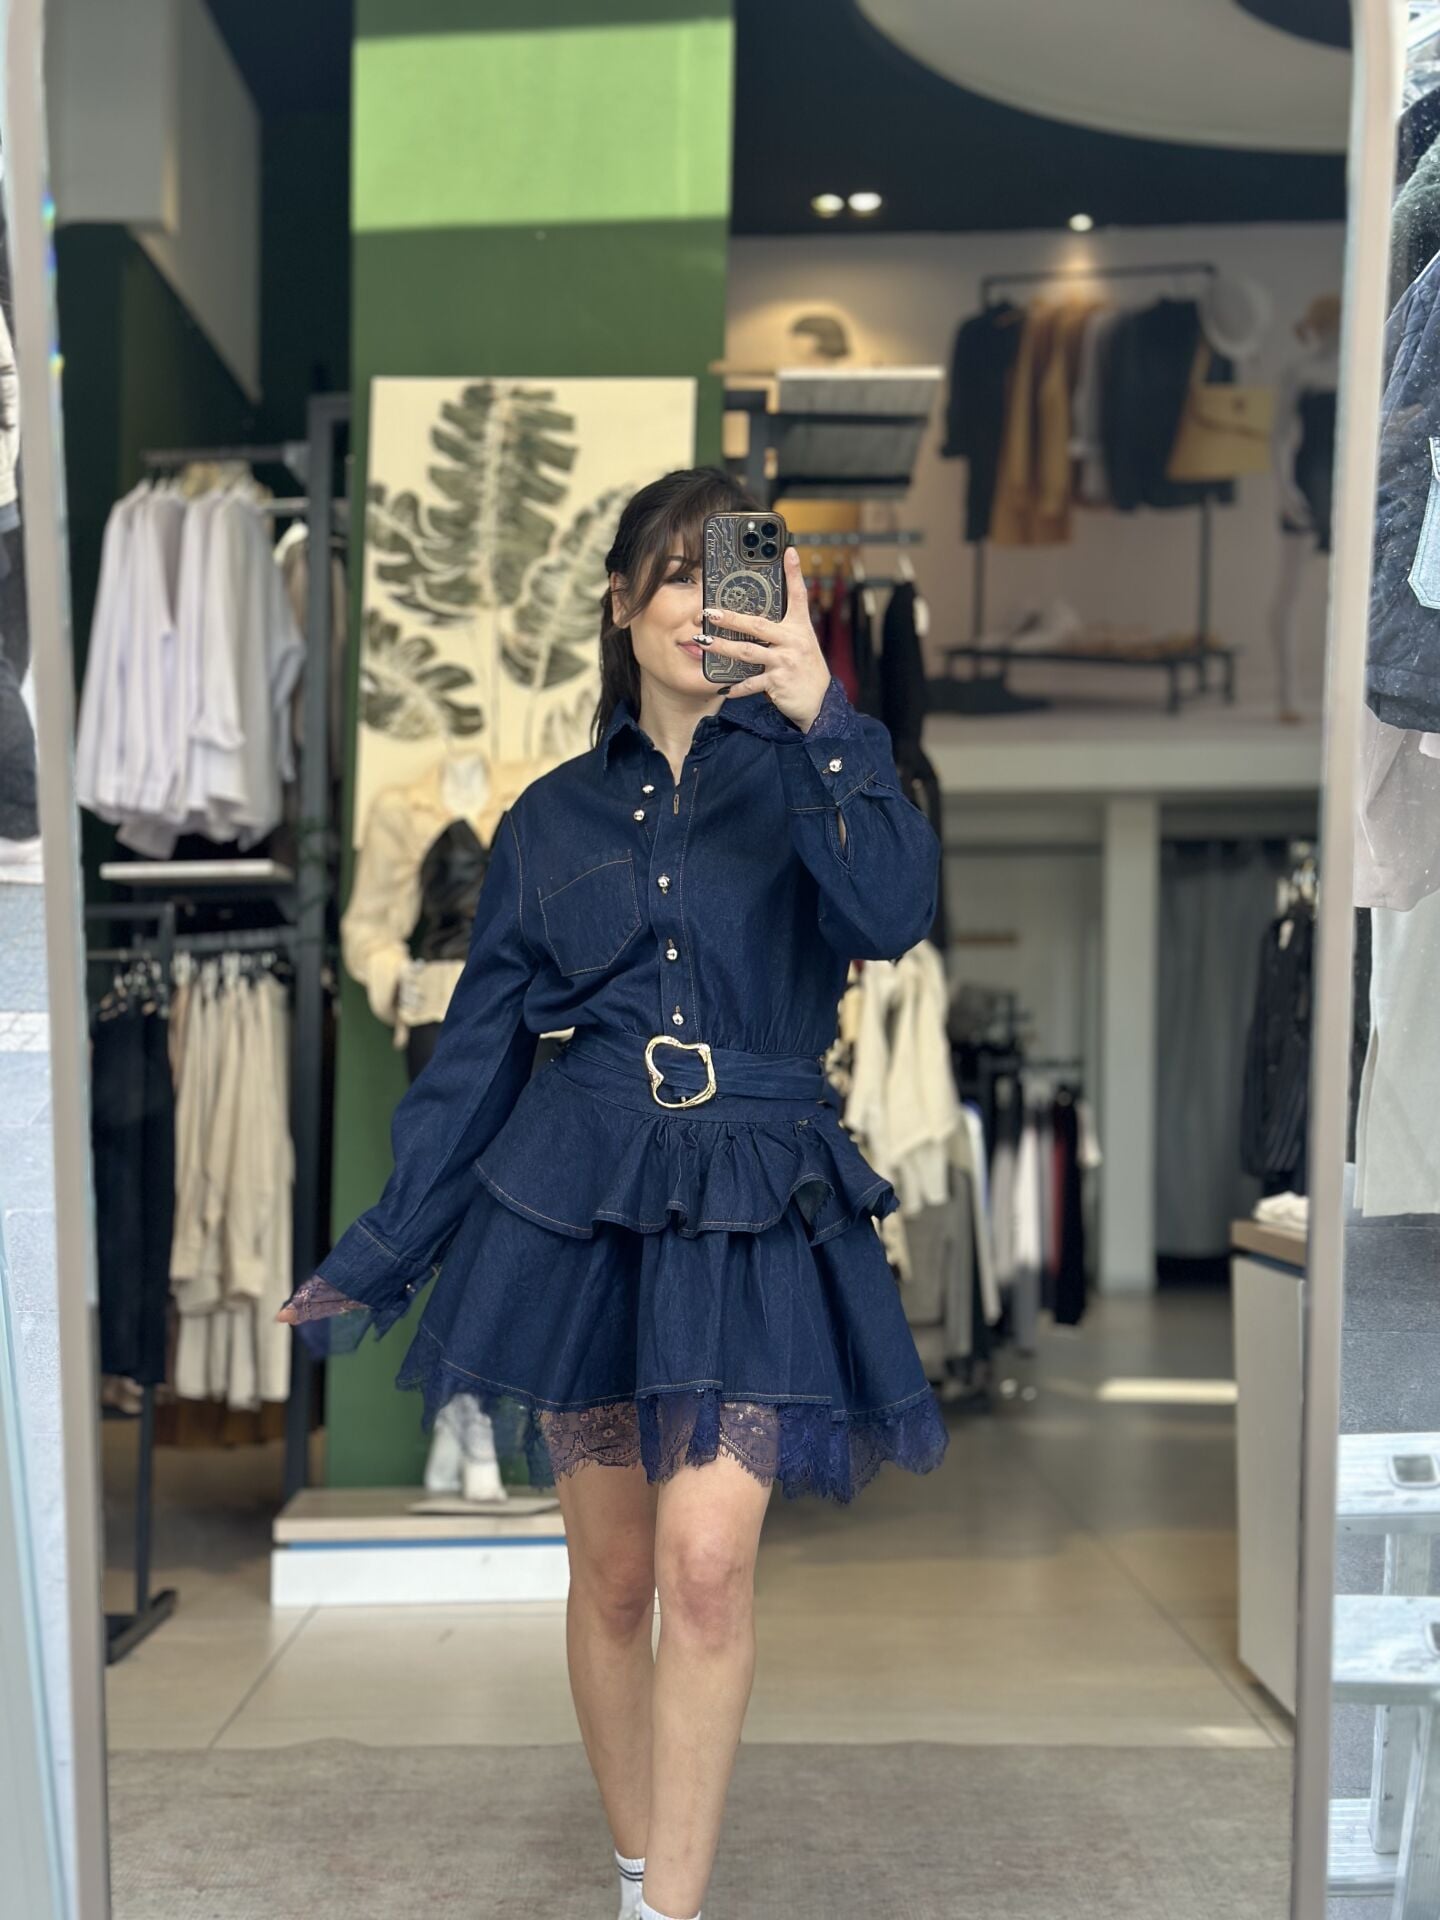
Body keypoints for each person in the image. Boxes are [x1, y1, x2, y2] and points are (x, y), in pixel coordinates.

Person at [277, 466, 948, 1920]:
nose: (706, 605)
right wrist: (377, 1251)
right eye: (678, 575)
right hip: (583, 1203)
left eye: (734, 573)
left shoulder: (819, 771)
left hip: (755, 1199)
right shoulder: (547, 821)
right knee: (619, 1579)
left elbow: (895, 911)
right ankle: (639, 1866)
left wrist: (826, 713)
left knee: (707, 1570)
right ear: (621, 603)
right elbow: (474, 1063)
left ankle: (667, 1912)